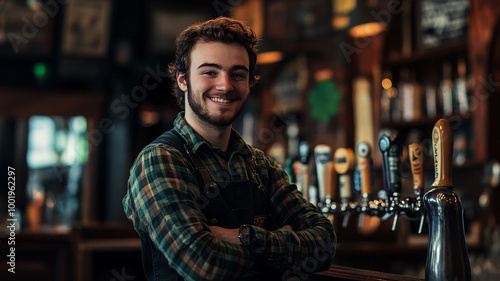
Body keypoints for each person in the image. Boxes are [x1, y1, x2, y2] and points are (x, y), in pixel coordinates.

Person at [123, 17, 336, 281]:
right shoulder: (159, 161)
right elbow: (204, 265)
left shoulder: (261, 166)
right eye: (209, 72)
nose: (225, 85)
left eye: (237, 74)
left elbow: (324, 243)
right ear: (182, 80)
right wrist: (281, 248)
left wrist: (243, 236)